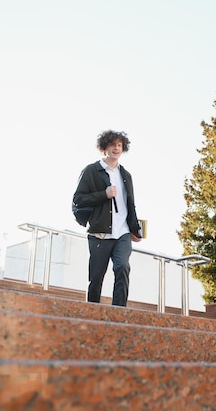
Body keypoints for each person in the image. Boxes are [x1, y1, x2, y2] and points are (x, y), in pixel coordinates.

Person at [73, 130, 142, 307]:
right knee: (96, 278)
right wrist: (103, 194)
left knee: (122, 267)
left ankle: (119, 312)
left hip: (123, 233)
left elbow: (130, 204)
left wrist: (136, 228)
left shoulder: (126, 175)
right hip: (100, 234)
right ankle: (92, 312)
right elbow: (78, 199)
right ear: (104, 147)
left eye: (119, 145)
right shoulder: (92, 170)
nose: (116, 148)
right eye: (113, 145)